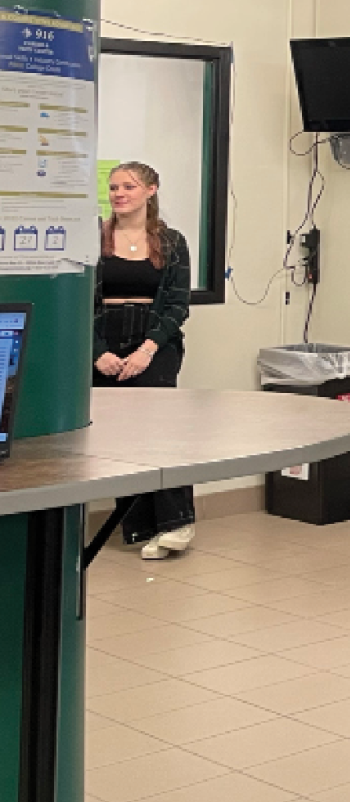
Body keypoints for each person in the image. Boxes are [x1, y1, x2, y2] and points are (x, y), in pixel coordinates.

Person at [94, 162, 195, 560]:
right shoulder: (94, 239)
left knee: (159, 430)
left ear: (151, 190)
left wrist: (147, 350)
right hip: (104, 338)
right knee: (119, 436)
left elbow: (177, 304)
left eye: (129, 187)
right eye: (114, 187)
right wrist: (97, 351)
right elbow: (80, 298)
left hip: (155, 342)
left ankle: (176, 523)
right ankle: (136, 526)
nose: (119, 194)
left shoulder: (171, 241)